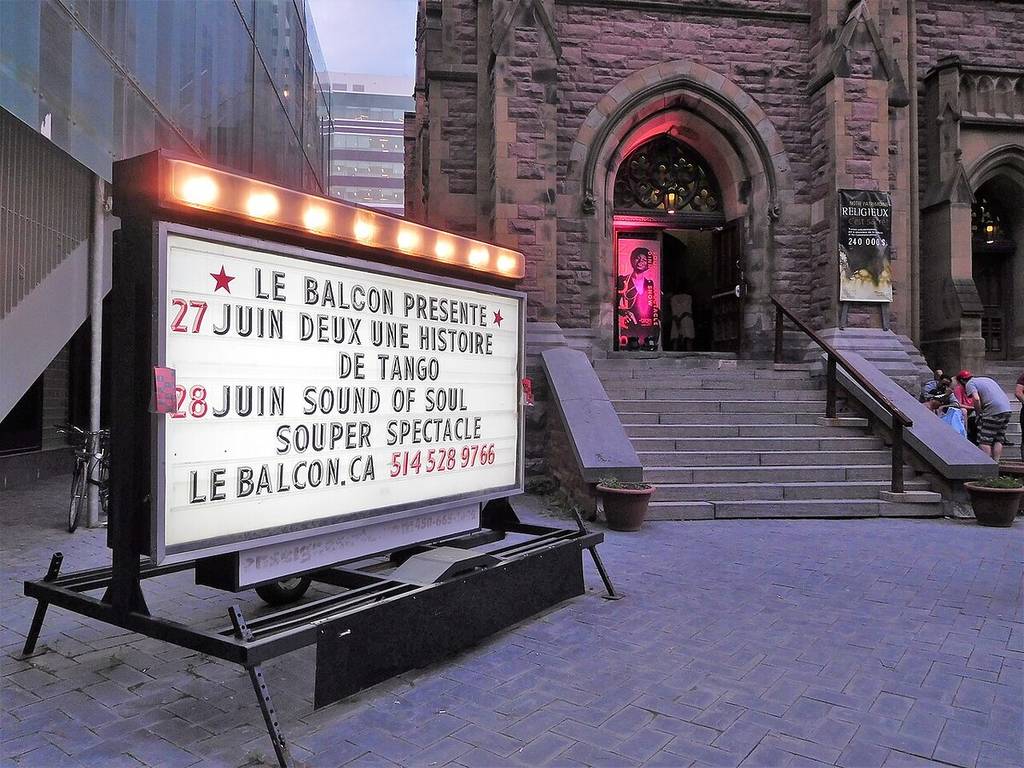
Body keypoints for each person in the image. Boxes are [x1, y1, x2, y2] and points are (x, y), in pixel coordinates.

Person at [957, 370, 1013, 460]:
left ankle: (987, 463)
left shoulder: (970, 383)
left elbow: (976, 398)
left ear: (962, 381)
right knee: (998, 438)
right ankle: (996, 462)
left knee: (985, 440)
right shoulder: (987, 379)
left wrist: (978, 414)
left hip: (993, 410)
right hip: (1007, 409)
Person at [617, 246, 660, 349]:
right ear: (633, 260)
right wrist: (625, 313)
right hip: (630, 327)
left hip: (646, 326)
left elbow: (652, 305)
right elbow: (614, 304)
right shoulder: (623, 280)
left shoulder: (649, 283)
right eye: (638, 258)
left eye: (644, 260)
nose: (641, 262)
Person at [953, 374, 978, 444]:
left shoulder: (972, 387)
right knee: (965, 412)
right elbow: (958, 404)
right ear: (962, 380)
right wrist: (973, 408)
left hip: (973, 410)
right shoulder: (958, 389)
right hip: (964, 410)